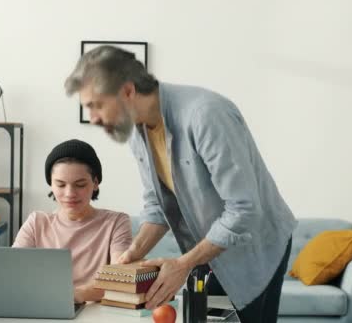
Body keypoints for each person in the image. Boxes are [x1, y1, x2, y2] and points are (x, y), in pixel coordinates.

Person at [64, 46, 298, 322]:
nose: (93, 118)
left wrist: (183, 264)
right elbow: (158, 205)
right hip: (212, 253)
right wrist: (132, 254)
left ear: (128, 91)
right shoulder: (136, 129)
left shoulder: (206, 115)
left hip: (256, 249)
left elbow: (243, 209)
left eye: (96, 105)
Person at [12, 139, 132, 303]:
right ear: (51, 184)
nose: (70, 194)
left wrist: (74, 296)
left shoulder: (116, 222)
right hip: (43, 308)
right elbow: (12, 272)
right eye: (60, 185)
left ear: (95, 183)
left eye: (80, 185)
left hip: (95, 314)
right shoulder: (36, 222)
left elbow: (120, 277)